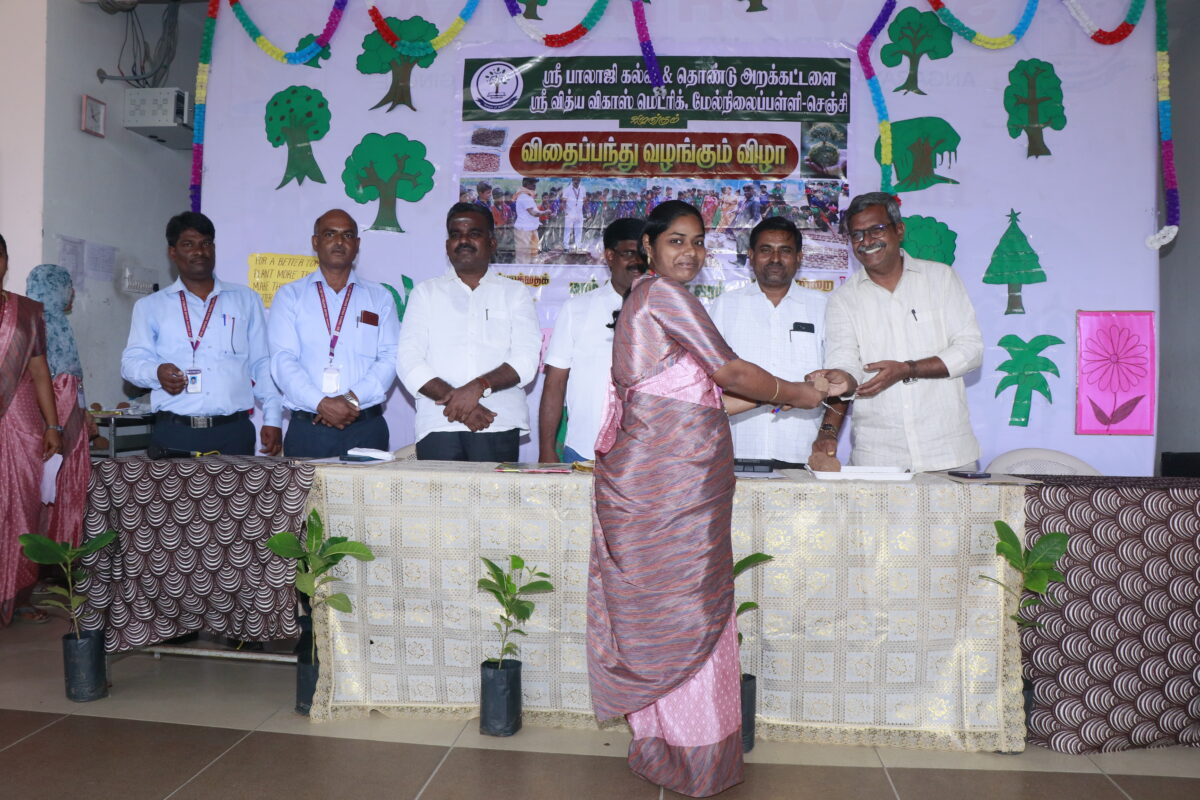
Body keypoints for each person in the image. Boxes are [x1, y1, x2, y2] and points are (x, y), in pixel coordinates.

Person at [587, 201, 852, 796]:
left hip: (663, 484)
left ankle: (663, 744)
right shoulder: (664, 296)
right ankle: (693, 755)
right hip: (669, 491)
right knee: (690, 611)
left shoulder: (648, 300)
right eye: (675, 240)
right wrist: (798, 394)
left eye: (698, 241)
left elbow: (709, 400)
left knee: (666, 611)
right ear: (648, 248)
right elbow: (729, 373)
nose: (689, 251)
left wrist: (795, 391)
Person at [808, 192, 983, 472]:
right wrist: (842, 378)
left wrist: (907, 369)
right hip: (878, 459)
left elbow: (971, 351)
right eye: (857, 235)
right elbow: (845, 362)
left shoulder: (940, 279)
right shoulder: (843, 300)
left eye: (876, 229)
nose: (866, 241)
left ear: (899, 230)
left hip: (948, 454)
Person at [123, 212, 282, 458]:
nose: (199, 251)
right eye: (188, 244)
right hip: (175, 433)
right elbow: (130, 364)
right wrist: (156, 372)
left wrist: (272, 418)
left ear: (214, 248)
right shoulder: (151, 306)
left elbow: (262, 363)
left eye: (206, 243)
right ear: (172, 252)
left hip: (233, 432)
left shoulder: (246, 299)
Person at [397, 203, 541, 462]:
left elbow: (526, 360)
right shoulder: (425, 293)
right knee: (438, 492)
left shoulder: (515, 293)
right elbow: (408, 361)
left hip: (497, 422)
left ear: (492, 243)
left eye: (474, 233)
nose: (463, 240)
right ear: (447, 245)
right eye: (456, 234)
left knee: (495, 492)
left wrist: (478, 387)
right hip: (439, 424)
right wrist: (460, 404)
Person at [269, 209, 399, 458]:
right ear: (315, 242)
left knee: (368, 488)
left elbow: (391, 357)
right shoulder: (290, 296)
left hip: (366, 428)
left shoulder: (379, 297)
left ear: (357, 244)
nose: (339, 242)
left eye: (347, 235)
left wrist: (351, 399)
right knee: (305, 488)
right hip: (308, 428)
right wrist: (321, 403)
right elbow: (282, 359)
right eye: (330, 234)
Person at [708, 217, 827, 465]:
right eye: (766, 250)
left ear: (799, 257)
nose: (775, 258)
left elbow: (837, 380)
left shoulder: (823, 307)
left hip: (802, 451)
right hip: (737, 449)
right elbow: (708, 381)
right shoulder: (725, 306)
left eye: (785, 250)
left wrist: (829, 433)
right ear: (751, 256)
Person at [538, 218, 645, 463]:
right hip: (584, 450)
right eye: (629, 253)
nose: (638, 261)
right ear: (610, 256)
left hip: (647, 456)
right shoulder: (577, 309)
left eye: (643, 254)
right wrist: (546, 449)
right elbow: (555, 384)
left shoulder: (665, 310)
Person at [0, 234, 64, 626]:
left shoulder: (27, 311)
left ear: (6, 261)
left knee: (23, 506)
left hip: (21, 419)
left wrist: (52, 424)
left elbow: (40, 370)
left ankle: (19, 594)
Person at [26, 264, 92, 552]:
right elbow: (61, 384)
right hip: (58, 421)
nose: (72, 293)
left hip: (46, 420)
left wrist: (85, 412)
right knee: (59, 484)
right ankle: (59, 554)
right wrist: (69, 423)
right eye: (67, 287)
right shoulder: (48, 325)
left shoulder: (33, 321)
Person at [513, 177, 546, 264]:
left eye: (535, 183)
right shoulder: (524, 197)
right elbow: (533, 213)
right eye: (532, 183)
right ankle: (522, 272)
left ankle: (531, 271)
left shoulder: (528, 196)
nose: (534, 185)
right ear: (526, 184)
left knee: (533, 254)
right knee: (523, 257)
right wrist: (545, 212)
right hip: (524, 230)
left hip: (531, 229)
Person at [563, 176, 586, 252]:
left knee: (579, 230)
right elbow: (563, 202)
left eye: (578, 180)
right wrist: (565, 212)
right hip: (569, 213)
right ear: (572, 180)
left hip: (579, 213)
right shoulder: (567, 189)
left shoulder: (583, 188)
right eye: (575, 180)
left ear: (580, 180)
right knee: (567, 230)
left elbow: (585, 200)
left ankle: (578, 246)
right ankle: (566, 247)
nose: (576, 181)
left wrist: (587, 210)